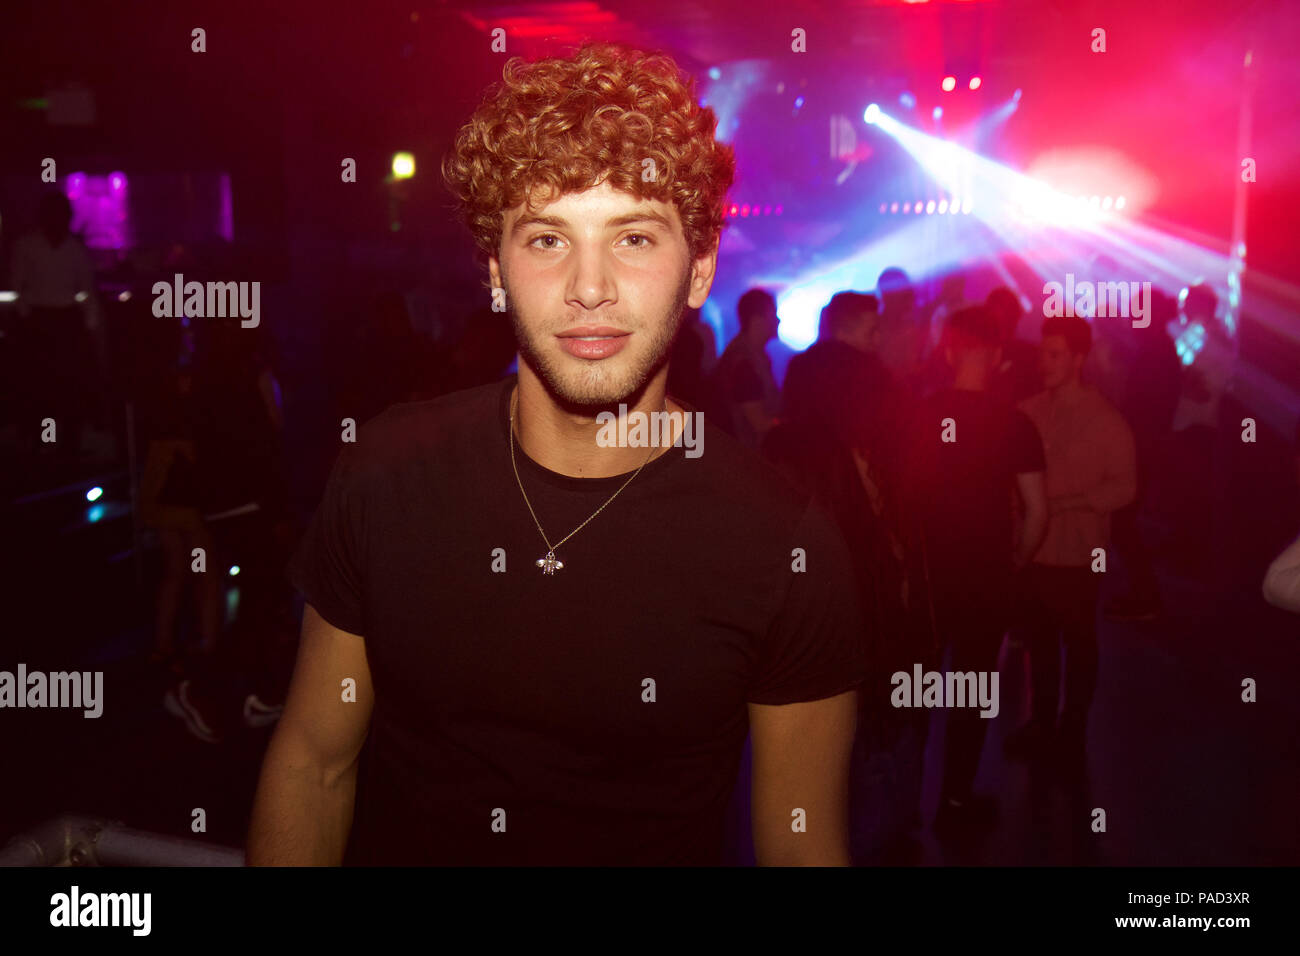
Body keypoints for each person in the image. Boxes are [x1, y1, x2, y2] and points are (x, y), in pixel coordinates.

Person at [248, 42, 867, 866]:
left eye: (635, 238)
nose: (589, 286)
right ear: (495, 270)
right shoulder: (385, 472)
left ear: (700, 268)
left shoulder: (786, 546)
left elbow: (801, 852)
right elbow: (313, 765)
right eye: (546, 240)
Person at [902, 306, 1047, 833]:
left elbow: (898, 496)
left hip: (923, 575)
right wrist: (1015, 562)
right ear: (999, 354)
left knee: (913, 690)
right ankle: (955, 802)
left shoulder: (918, 412)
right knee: (971, 691)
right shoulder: (1014, 422)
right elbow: (1037, 511)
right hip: (986, 577)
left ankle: (902, 804)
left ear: (949, 350)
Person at [1006, 316, 1136, 761]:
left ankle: (1072, 732)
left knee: (1079, 644)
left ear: (1078, 359)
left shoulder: (1106, 420)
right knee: (1041, 645)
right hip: (1036, 550)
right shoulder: (1027, 410)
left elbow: (1126, 486)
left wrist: (1067, 503)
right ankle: (1044, 724)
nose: (1044, 361)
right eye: (1043, 352)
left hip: (1082, 555)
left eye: (1055, 354)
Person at [9, 190, 102, 477]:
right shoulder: (26, 246)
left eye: (63, 215)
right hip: (40, 322)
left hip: (66, 323)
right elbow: (16, 286)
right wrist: (28, 318)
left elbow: (86, 290)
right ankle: (40, 444)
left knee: (69, 387)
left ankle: (68, 445)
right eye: (53, 215)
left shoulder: (75, 250)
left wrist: (89, 325)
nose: (58, 221)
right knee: (40, 387)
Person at [708, 288, 782, 449]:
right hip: (747, 460)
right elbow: (759, 423)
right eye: (773, 314)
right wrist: (792, 422)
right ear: (757, 320)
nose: (778, 320)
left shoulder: (754, 358)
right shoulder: (743, 364)